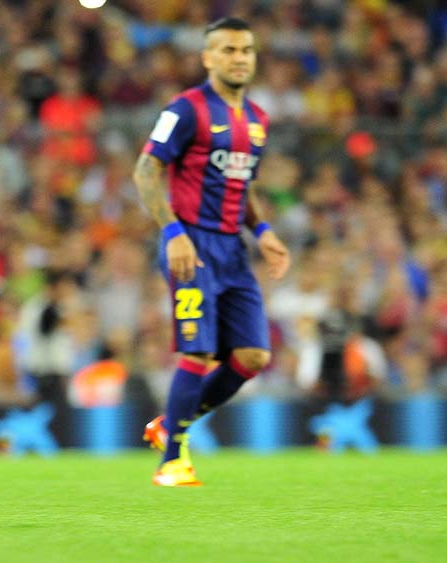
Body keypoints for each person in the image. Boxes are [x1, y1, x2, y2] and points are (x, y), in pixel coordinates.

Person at [132, 17, 291, 487]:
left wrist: (262, 230)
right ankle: (173, 461)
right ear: (208, 57)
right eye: (227, 50)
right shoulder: (185, 109)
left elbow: (244, 185)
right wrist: (171, 233)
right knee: (198, 352)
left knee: (254, 356)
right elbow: (145, 171)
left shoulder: (258, 120)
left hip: (234, 250)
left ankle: (170, 425)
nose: (239, 57)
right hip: (191, 245)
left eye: (246, 49)